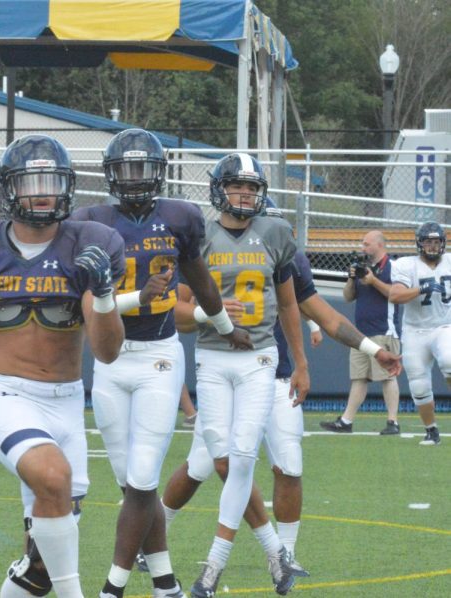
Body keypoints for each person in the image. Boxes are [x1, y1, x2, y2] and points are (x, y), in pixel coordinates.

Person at [0, 134, 126, 598]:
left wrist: (104, 296)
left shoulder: (90, 244)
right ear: (9, 189)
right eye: (31, 182)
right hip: (7, 394)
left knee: (41, 565)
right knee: (54, 477)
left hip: (66, 403)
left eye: (51, 181)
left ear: (67, 186)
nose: (42, 192)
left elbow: (106, 352)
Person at [71, 128, 252, 598]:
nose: (134, 179)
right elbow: (91, 305)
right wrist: (139, 295)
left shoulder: (180, 216)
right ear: (111, 175)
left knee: (143, 475)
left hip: (158, 357)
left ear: (159, 173)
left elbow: (204, 283)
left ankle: (113, 588)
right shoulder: (90, 222)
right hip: (111, 358)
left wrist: (226, 328)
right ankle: (166, 583)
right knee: (132, 484)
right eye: (125, 169)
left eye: (142, 169)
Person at [166, 232, 402, 588]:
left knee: (288, 462)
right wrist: (209, 313)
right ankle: (155, 536)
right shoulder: (209, 246)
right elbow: (178, 311)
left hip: (271, 373)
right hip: (224, 371)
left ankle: (284, 555)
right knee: (208, 462)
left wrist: (370, 349)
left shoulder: (282, 254)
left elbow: (323, 315)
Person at [182, 153, 309, 598]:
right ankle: (275, 553)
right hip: (213, 358)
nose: (247, 194)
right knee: (220, 458)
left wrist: (302, 364)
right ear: (220, 188)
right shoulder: (199, 236)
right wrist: (207, 312)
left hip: (259, 357)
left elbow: (290, 305)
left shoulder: (274, 231)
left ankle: (213, 568)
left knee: (240, 458)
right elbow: (178, 313)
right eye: (238, 186)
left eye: (253, 187)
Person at [321, 230, 401, 435]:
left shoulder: (393, 267)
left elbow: (395, 295)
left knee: (388, 376)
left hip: (384, 330)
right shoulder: (361, 268)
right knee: (358, 378)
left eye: (366, 244)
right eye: (362, 243)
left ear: (379, 245)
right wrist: (351, 279)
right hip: (360, 335)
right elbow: (348, 297)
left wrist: (373, 281)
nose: (363, 247)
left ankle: (393, 422)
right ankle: (346, 421)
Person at [388, 221, 450, 446]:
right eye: (428, 242)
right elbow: (395, 295)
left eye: (436, 242)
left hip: (445, 326)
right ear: (419, 244)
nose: (433, 247)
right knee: (419, 385)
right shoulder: (406, 265)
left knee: (449, 360)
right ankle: (431, 430)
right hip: (415, 330)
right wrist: (421, 288)